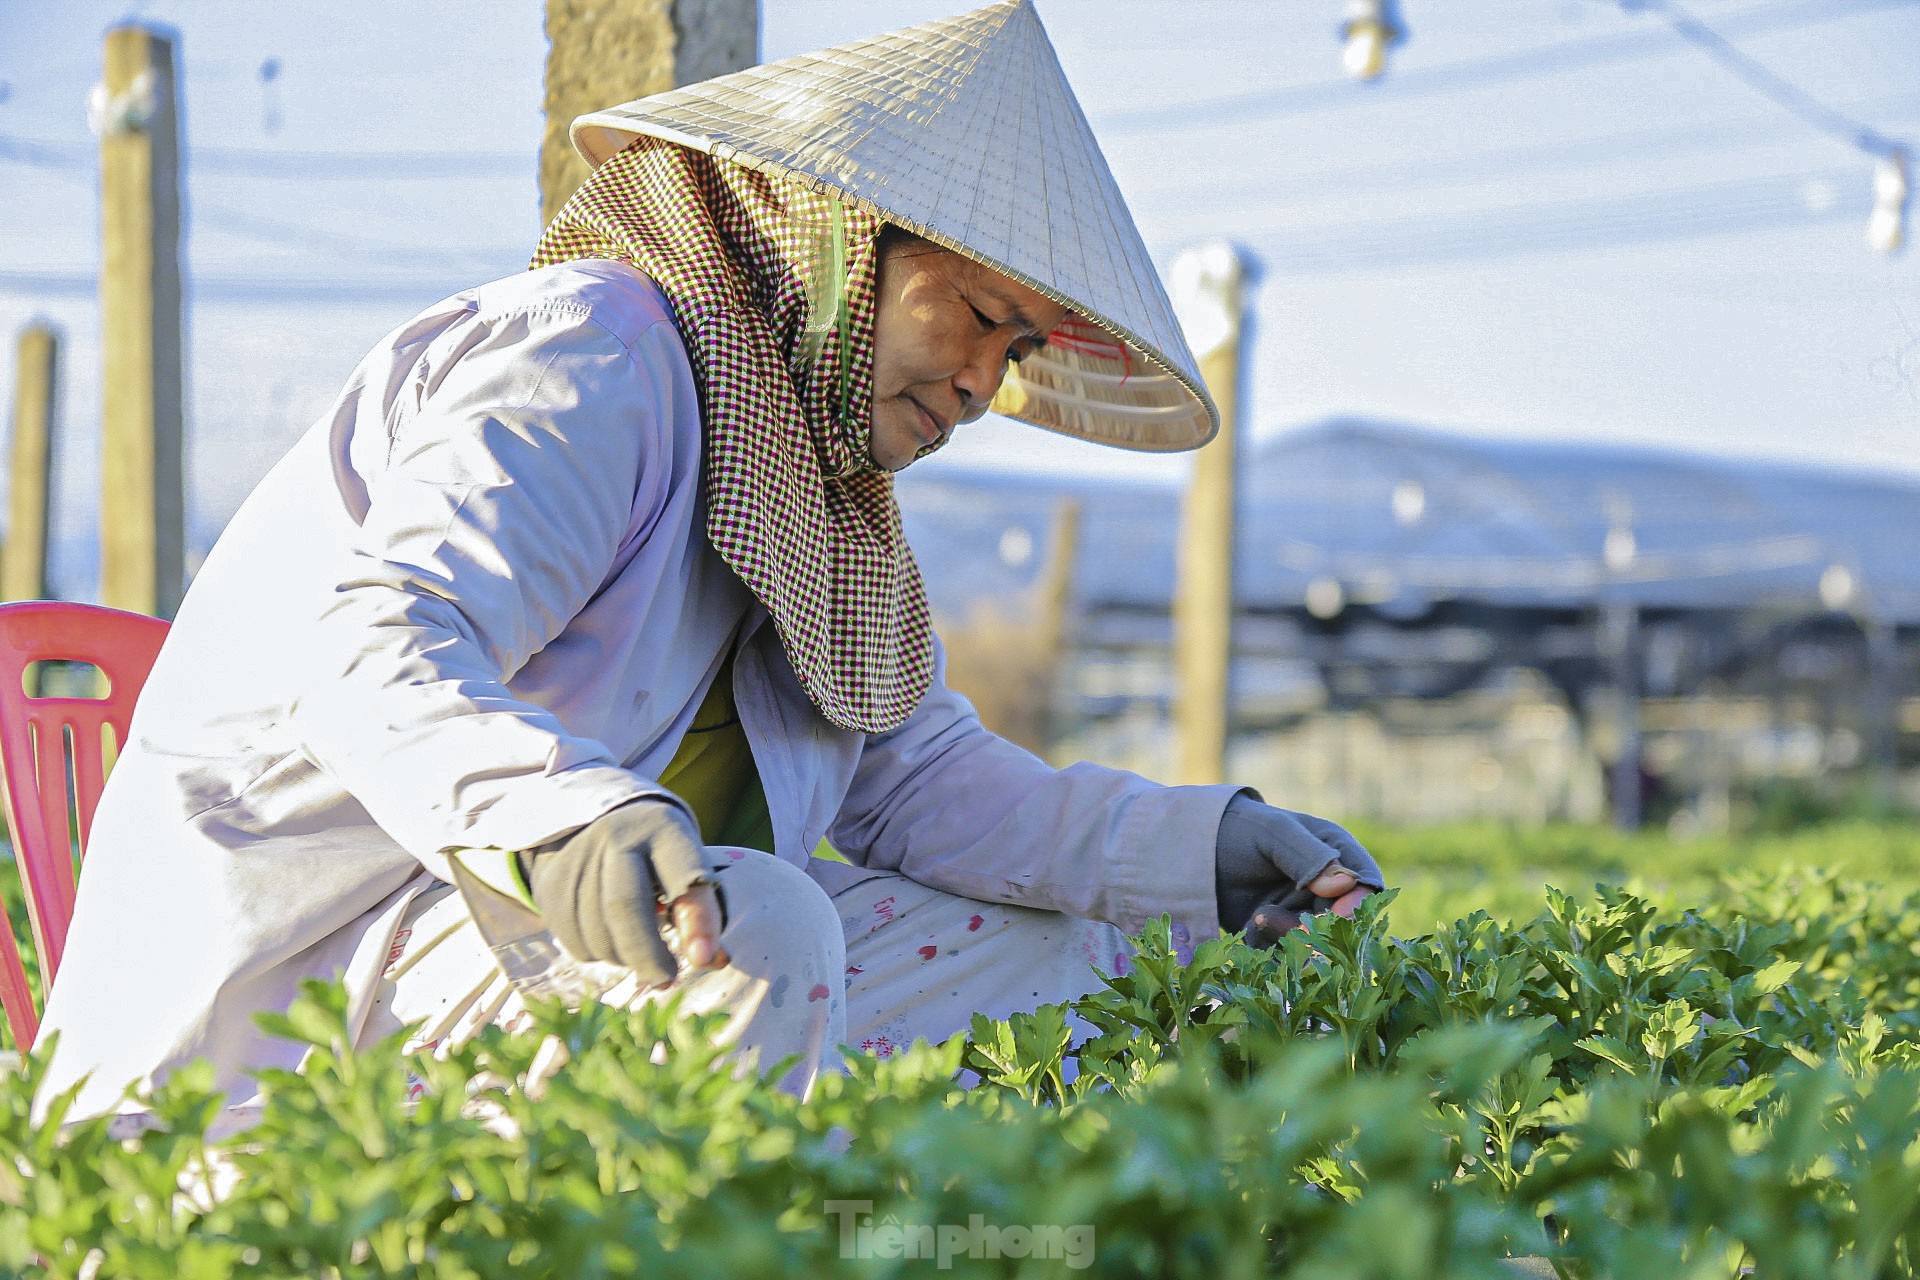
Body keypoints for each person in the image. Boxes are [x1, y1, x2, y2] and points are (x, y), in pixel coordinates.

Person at [37, 0, 1382, 1125]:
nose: (980, 385)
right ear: (841, 240)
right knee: (765, 932)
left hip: (503, 976)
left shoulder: (818, 497)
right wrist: (562, 816)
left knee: (1081, 951)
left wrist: (1203, 852)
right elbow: (375, 648)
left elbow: (925, 787)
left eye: (1017, 351)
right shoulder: (592, 360)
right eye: (975, 315)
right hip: (294, 997)